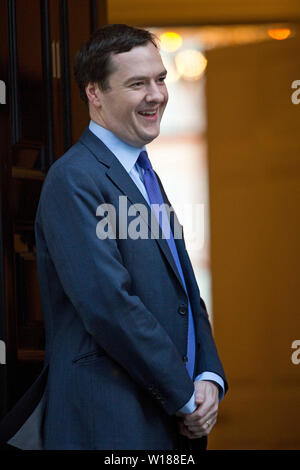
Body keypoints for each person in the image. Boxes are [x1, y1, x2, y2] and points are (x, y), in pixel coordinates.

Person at [0, 24, 227, 450]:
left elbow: (185, 293)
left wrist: (209, 378)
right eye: (137, 83)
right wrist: (184, 394)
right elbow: (109, 304)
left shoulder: (144, 174)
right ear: (95, 93)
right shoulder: (74, 178)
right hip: (110, 422)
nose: (156, 95)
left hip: (168, 419)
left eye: (160, 79)